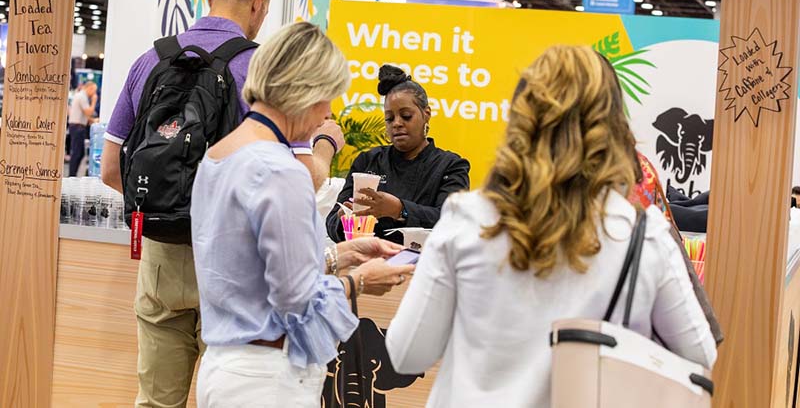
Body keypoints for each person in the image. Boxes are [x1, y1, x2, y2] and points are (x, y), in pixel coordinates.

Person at [385, 45, 717, 407]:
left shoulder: (467, 218)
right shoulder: (641, 233)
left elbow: (407, 355)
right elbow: (700, 352)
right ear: (609, 125)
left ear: (520, 118)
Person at [100, 0, 341, 408]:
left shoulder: (150, 60)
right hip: (234, 265)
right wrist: (326, 142)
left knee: (154, 400)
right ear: (260, 3)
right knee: (229, 391)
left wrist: (168, 209)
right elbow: (303, 180)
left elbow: (111, 169)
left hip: (160, 257)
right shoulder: (263, 70)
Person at [192, 21, 414, 407]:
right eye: (328, 98)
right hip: (268, 378)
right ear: (308, 92)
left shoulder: (219, 155)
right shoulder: (280, 170)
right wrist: (359, 281)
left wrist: (340, 256)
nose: (327, 113)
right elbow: (295, 297)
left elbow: (249, 269)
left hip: (223, 367)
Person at [326, 65, 471, 243]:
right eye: (389, 118)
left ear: (426, 115)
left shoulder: (450, 166)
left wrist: (400, 210)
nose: (397, 123)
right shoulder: (368, 161)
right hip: (366, 262)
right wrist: (344, 219)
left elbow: (452, 222)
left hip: (422, 265)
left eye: (406, 116)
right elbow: (332, 223)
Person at [67, 81, 97, 176]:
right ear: (90, 88)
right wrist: (94, 101)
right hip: (77, 127)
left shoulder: (80, 96)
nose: (94, 94)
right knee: (77, 152)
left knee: (79, 152)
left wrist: (92, 120)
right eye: (94, 91)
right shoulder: (82, 97)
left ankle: (72, 174)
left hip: (77, 126)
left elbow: (84, 115)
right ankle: (72, 175)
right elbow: (88, 112)